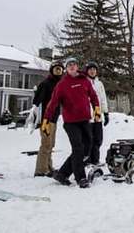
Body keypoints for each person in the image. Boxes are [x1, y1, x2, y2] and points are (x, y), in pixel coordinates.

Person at [42, 57, 100, 188]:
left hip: (85, 120)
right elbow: (53, 103)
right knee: (78, 148)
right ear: (66, 69)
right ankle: (81, 178)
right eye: (69, 65)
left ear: (77, 66)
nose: (72, 67)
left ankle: (62, 173)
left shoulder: (84, 80)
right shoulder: (62, 84)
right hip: (71, 123)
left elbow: (93, 96)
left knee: (87, 148)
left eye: (74, 64)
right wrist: (46, 120)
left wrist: (96, 109)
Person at [32, 59, 64, 177]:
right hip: (45, 120)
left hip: (54, 120)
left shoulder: (60, 84)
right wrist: (38, 118)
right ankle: (40, 170)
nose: (58, 71)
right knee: (46, 144)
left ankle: (48, 167)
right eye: (56, 69)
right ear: (52, 70)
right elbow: (36, 102)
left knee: (51, 144)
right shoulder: (45, 84)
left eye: (60, 69)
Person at [83, 62, 109, 166]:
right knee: (88, 139)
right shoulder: (84, 82)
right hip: (87, 116)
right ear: (87, 71)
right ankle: (87, 160)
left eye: (94, 69)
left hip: (97, 115)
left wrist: (106, 113)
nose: (92, 71)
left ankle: (95, 160)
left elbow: (103, 99)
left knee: (98, 139)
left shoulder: (99, 84)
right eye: (90, 69)